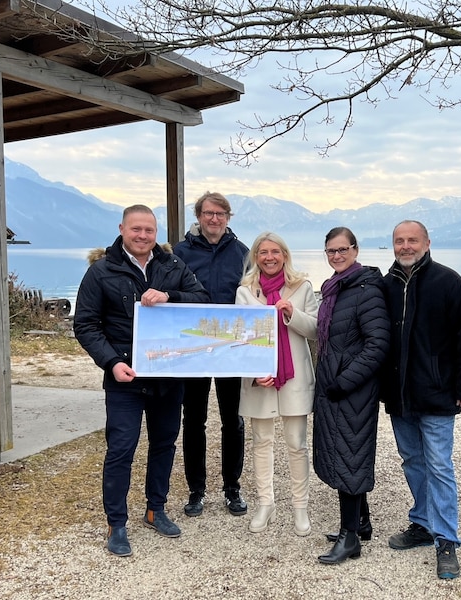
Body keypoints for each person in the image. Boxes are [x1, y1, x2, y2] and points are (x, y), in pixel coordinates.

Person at [74, 204, 210, 557]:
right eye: (136, 229)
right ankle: (116, 523)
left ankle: (156, 509)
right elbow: (86, 325)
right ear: (122, 229)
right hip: (125, 377)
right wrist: (111, 363)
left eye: (149, 230)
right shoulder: (101, 271)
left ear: (156, 232)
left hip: (168, 375)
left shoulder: (173, 266)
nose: (143, 236)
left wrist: (169, 296)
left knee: (164, 444)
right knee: (121, 450)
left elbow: (202, 300)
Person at [380, 220, 461, 580]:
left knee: (439, 465)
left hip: (438, 392)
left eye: (412, 240)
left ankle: (447, 539)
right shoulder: (386, 285)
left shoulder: (448, 281)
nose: (405, 246)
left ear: (426, 242)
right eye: (399, 241)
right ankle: (422, 522)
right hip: (399, 394)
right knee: (412, 460)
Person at [312, 227, 390, 565]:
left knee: (350, 456)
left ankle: (349, 539)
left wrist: (344, 382)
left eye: (343, 249)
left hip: (352, 389)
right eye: (331, 251)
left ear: (355, 250)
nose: (337, 256)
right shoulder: (334, 289)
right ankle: (360, 523)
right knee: (346, 453)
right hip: (335, 386)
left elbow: (377, 345)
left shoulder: (366, 290)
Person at [235, 232, 318, 536]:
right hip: (260, 379)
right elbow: (240, 338)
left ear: (285, 255)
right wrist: (255, 371)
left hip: (294, 376)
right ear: (255, 256)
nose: (269, 257)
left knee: (297, 444)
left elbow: (315, 330)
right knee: (261, 443)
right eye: (262, 252)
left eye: (275, 252)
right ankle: (264, 504)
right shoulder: (245, 290)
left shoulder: (302, 287)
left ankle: (300, 507)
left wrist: (291, 313)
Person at [173, 192, 250, 518]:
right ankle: (196, 490)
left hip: (232, 347)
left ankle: (232, 487)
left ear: (228, 217)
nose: (214, 219)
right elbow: (170, 291)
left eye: (220, 214)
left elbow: (254, 294)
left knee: (233, 420)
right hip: (194, 348)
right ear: (199, 216)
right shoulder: (180, 252)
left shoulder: (243, 252)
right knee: (193, 419)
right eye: (208, 214)